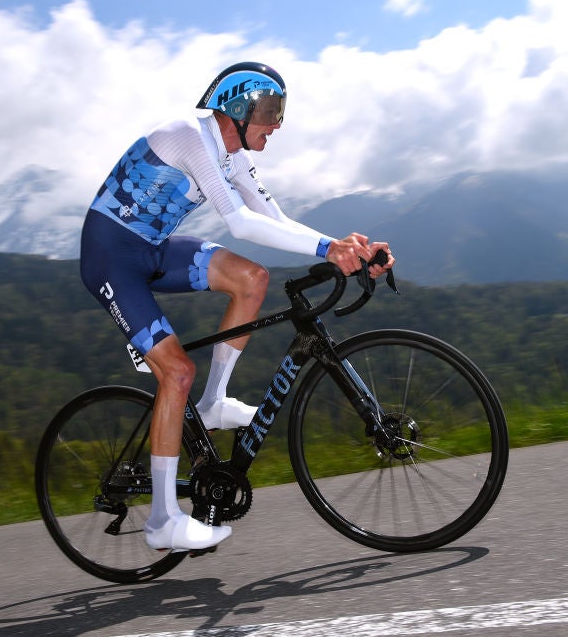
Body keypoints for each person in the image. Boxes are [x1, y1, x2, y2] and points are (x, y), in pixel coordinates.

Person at [80, 61, 394, 552]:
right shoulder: (189, 136)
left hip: (154, 249)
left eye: (281, 112)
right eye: (270, 111)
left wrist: (343, 248)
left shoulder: (234, 158)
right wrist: (328, 250)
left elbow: (273, 218)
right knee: (176, 372)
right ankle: (163, 520)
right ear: (238, 107)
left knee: (253, 279)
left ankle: (214, 403)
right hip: (110, 257)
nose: (276, 124)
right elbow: (242, 224)